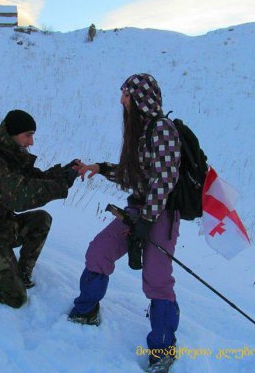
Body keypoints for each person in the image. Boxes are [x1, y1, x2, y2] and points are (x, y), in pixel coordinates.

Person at [68, 74, 182, 372]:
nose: (121, 101)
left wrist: (146, 220)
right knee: (99, 251)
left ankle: (163, 349)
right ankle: (86, 310)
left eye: (126, 95)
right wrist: (101, 168)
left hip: (161, 213)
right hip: (137, 211)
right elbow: (135, 175)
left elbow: (164, 180)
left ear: (141, 97)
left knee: (156, 279)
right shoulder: (140, 131)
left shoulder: (162, 130)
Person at [0, 109, 79, 308]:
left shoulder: (11, 155)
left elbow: (34, 179)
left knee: (41, 219)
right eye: (28, 135)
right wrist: (60, 187)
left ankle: (23, 273)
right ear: (12, 134)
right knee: (16, 297)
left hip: (0, 228)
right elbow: (21, 197)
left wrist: (63, 175)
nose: (31, 142)